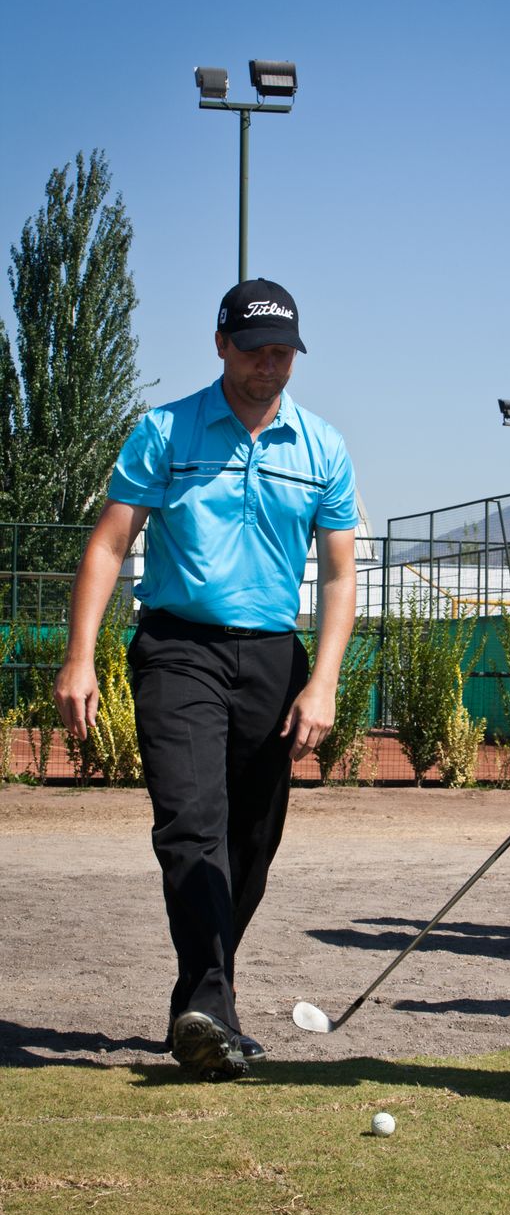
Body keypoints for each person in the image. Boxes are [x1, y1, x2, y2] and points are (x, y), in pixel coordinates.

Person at [54, 278, 358, 1080]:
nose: (270, 365)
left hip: (272, 658)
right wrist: (80, 656)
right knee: (190, 825)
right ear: (220, 344)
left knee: (250, 844)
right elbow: (109, 546)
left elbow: (336, 578)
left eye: (284, 352)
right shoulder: (165, 431)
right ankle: (212, 1010)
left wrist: (321, 680)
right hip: (178, 649)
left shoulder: (322, 447)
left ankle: (200, 1003)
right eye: (256, 349)